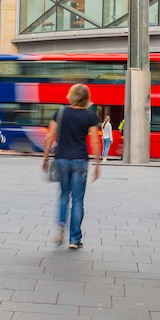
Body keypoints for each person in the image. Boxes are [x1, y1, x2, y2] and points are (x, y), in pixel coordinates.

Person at [42, 83, 101, 249]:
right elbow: (95, 141)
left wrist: (45, 158)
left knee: (63, 195)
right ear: (86, 98)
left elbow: (49, 137)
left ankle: (61, 225)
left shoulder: (60, 113)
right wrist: (97, 164)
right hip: (80, 160)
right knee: (77, 200)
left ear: (71, 95)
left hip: (62, 159)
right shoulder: (90, 116)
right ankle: (75, 239)